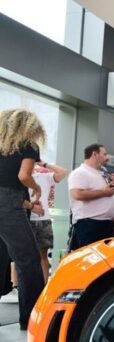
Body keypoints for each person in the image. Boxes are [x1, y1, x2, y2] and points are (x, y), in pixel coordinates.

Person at [0, 108, 47, 330]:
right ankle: (32, 319)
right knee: (27, 259)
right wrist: (36, 187)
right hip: (8, 201)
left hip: (8, 200)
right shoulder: (28, 144)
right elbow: (23, 176)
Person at [68, 144, 114, 249]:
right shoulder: (79, 173)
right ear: (95, 154)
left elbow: (106, 195)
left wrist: (110, 218)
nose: (107, 158)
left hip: (105, 225)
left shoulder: (102, 173)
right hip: (90, 225)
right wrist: (103, 192)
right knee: (89, 260)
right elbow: (77, 194)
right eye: (104, 154)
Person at [29, 160, 68, 282]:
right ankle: (22, 287)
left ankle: (43, 287)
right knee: (24, 256)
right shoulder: (18, 176)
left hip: (43, 219)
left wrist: (44, 164)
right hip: (25, 218)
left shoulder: (44, 177)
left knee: (43, 256)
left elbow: (64, 172)